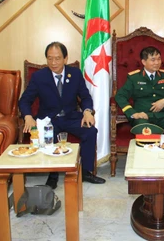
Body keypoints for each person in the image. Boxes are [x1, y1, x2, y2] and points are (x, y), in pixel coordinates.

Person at [19, 42, 105, 189]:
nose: (53, 63)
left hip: (70, 117)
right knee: (48, 137)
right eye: (50, 58)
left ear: (65, 59)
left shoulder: (75, 74)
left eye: (58, 58)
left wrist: (87, 111)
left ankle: (85, 171)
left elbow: (85, 96)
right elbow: (25, 100)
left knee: (90, 131)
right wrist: (27, 116)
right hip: (49, 119)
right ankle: (52, 175)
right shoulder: (39, 77)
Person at [115, 46, 164, 138]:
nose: (157, 63)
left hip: (162, 116)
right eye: (153, 60)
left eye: (159, 59)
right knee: (145, 129)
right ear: (144, 62)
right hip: (142, 117)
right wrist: (133, 113)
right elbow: (120, 96)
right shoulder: (134, 78)